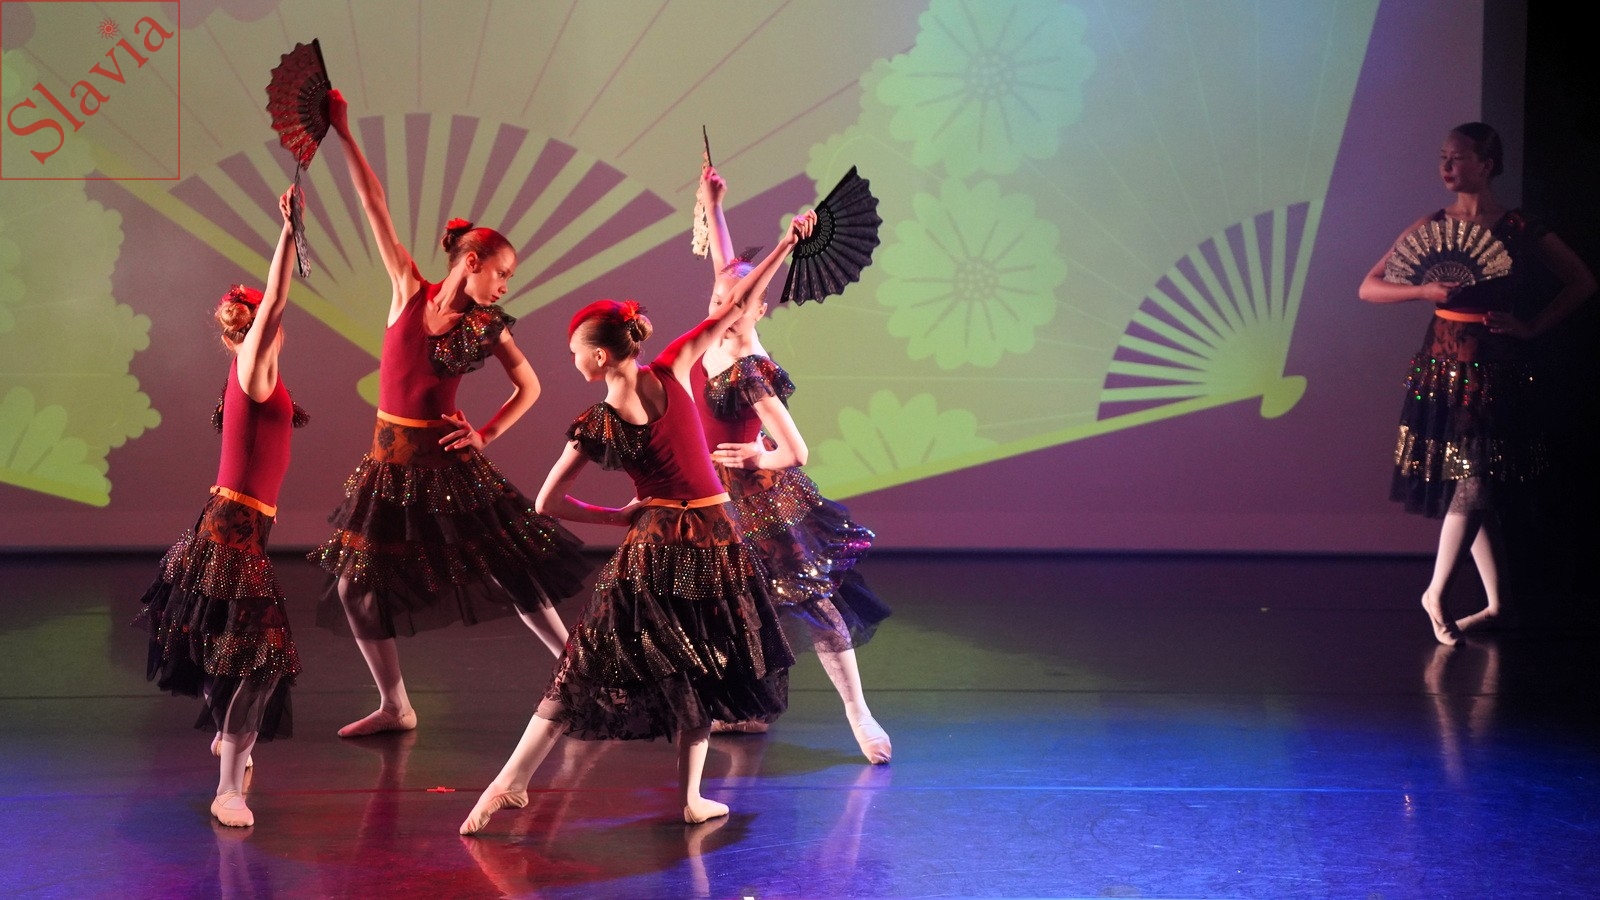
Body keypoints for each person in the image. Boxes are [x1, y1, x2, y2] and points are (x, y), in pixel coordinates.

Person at [458, 213, 814, 834]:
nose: (572, 360)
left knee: (586, 663)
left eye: (573, 352)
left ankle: (510, 782)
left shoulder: (600, 420)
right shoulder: (673, 367)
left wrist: (615, 514)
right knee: (703, 663)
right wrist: (785, 241)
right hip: (713, 539)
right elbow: (737, 306)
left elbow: (547, 502)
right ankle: (689, 798)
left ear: (598, 356)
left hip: (654, 547)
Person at [310, 90, 592, 737]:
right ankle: (396, 705)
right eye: (502, 274)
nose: (505, 286)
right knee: (355, 586)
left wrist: (484, 433)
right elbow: (374, 206)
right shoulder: (408, 291)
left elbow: (529, 386)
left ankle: (576, 671)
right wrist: (345, 134)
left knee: (513, 570)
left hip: (446, 468)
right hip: (388, 468)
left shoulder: (486, 326)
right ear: (471, 262)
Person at [1359, 122, 1595, 645]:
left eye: (1458, 157)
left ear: (1487, 165)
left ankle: (1463, 599)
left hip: (1496, 368)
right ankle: (1478, 602)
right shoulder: (1433, 224)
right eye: (1443, 157)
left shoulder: (1518, 227)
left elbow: (1581, 281)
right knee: (1474, 481)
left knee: (1477, 480)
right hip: (1443, 368)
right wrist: (1422, 291)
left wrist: (1533, 326)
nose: (1447, 166)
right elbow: (1369, 287)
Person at [690, 166, 892, 763]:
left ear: (757, 310)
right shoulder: (717, 333)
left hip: (762, 497)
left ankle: (859, 713)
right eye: (716, 299)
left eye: (735, 303)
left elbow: (796, 452)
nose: (721, 305)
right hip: (718, 496)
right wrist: (713, 204)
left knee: (812, 601)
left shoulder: (748, 365)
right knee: (735, 603)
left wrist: (758, 452)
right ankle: (748, 707)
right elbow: (728, 274)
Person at [136, 186, 305, 828]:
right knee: (258, 658)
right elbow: (278, 298)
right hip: (232, 534)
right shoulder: (254, 369)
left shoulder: (254, 375)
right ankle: (228, 787)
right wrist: (287, 232)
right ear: (258, 329)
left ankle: (229, 746)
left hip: (237, 531)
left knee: (232, 649)